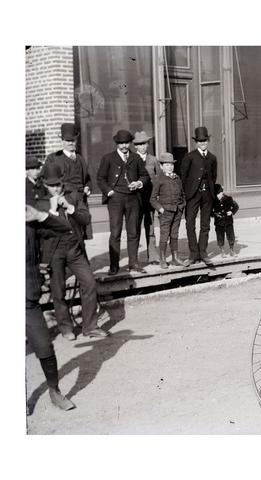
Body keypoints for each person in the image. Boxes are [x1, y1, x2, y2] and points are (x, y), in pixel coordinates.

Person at [36, 164, 109, 340]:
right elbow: (40, 232)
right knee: (58, 291)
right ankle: (66, 327)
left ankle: (90, 326)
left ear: (63, 183)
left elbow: (86, 219)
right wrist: (52, 212)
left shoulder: (73, 196)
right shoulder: (41, 204)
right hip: (54, 252)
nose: (56, 189)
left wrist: (70, 208)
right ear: (45, 185)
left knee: (89, 282)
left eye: (58, 185)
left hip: (74, 248)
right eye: (52, 186)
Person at [26, 203, 76, 412]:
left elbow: (64, 228)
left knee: (45, 347)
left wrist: (40, 215)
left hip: (27, 300)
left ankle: (54, 391)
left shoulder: (27, 223)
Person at [97, 129, 150, 275]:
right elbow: (100, 178)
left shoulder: (136, 158)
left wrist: (139, 183)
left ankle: (133, 263)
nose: (124, 146)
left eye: (126, 143)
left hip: (133, 199)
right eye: (121, 143)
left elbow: (145, 176)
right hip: (115, 199)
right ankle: (114, 266)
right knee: (115, 233)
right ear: (117, 143)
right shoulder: (108, 158)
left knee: (133, 232)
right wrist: (109, 192)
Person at [42, 122, 93, 239]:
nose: (71, 143)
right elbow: (46, 180)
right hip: (64, 201)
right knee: (66, 233)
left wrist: (88, 187)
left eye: (73, 140)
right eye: (67, 140)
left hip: (80, 202)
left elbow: (88, 179)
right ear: (62, 141)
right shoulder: (53, 158)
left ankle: (80, 256)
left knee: (81, 235)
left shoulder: (80, 158)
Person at [180, 126, 217, 265]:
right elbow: (184, 177)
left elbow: (213, 177)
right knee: (190, 224)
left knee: (205, 224)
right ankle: (193, 253)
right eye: (200, 141)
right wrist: (186, 194)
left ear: (208, 141)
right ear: (196, 142)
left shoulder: (212, 158)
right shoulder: (189, 157)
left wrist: (211, 191)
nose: (203, 143)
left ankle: (203, 252)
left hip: (207, 195)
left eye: (205, 140)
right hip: (192, 195)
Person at [150, 153, 189, 269]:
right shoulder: (158, 180)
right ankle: (162, 259)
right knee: (164, 235)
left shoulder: (177, 178)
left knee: (174, 234)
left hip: (177, 211)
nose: (170, 167)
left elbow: (182, 194)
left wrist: (182, 206)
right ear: (161, 167)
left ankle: (175, 257)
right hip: (165, 213)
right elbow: (152, 199)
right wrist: (161, 209)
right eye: (167, 165)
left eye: (171, 164)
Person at [132, 131, 160, 265]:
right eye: (139, 144)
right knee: (135, 227)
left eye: (144, 144)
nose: (142, 147)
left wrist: (158, 194)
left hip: (149, 198)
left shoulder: (153, 160)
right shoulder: (131, 159)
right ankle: (134, 259)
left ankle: (153, 256)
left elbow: (158, 178)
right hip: (135, 198)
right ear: (135, 146)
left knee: (150, 227)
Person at [211, 183, 239, 257]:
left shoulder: (228, 198)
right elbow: (210, 210)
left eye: (220, 194)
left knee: (231, 236)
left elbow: (236, 206)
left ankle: (232, 250)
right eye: (217, 195)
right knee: (220, 236)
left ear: (222, 192)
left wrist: (232, 212)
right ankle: (222, 251)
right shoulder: (213, 201)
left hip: (228, 221)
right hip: (219, 222)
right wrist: (214, 214)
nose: (219, 196)